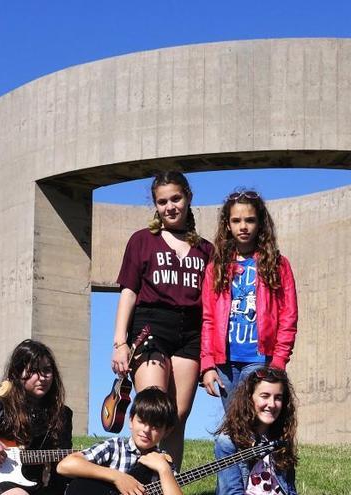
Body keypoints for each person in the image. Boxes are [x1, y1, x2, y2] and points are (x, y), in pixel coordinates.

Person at [111, 171, 214, 468]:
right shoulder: (142, 241)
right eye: (162, 201)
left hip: (190, 333)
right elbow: (129, 292)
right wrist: (120, 343)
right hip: (150, 327)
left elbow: (210, 304)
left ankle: (168, 483)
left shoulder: (206, 250)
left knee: (176, 419)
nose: (170, 206)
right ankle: (136, 481)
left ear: (188, 198)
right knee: (152, 411)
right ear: (155, 206)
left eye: (176, 199)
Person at [200, 190, 298, 409]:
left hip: (260, 359)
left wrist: (279, 360)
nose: (243, 226)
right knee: (234, 426)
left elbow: (288, 317)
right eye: (236, 220)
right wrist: (207, 363)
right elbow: (208, 319)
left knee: (254, 422)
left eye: (250, 220)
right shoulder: (215, 268)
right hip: (225, 362)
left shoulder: (278, 265)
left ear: (260, 223)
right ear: (227, 224)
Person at [0, 339, 73, 495]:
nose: (42, 377)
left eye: (47, 370)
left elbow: (63, 462)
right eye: (33, 371)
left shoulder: (63, 414)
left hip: (37, 485)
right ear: (17, 373)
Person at [56, 387, 182, 495]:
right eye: (142, 421)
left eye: (155, 426)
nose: (146, 430)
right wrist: (117, 477)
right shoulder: (115, 447)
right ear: (131, 420)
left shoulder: (163, 462)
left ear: (167, 431)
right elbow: (65, 466)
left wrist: (164, 469)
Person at [213, 367, 298, 495]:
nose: (272, 404)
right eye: (265, 396)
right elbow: (231, 492)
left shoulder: (282, 437)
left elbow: (290, 489)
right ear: (249, 399)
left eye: (278, 398)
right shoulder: (227, 442)